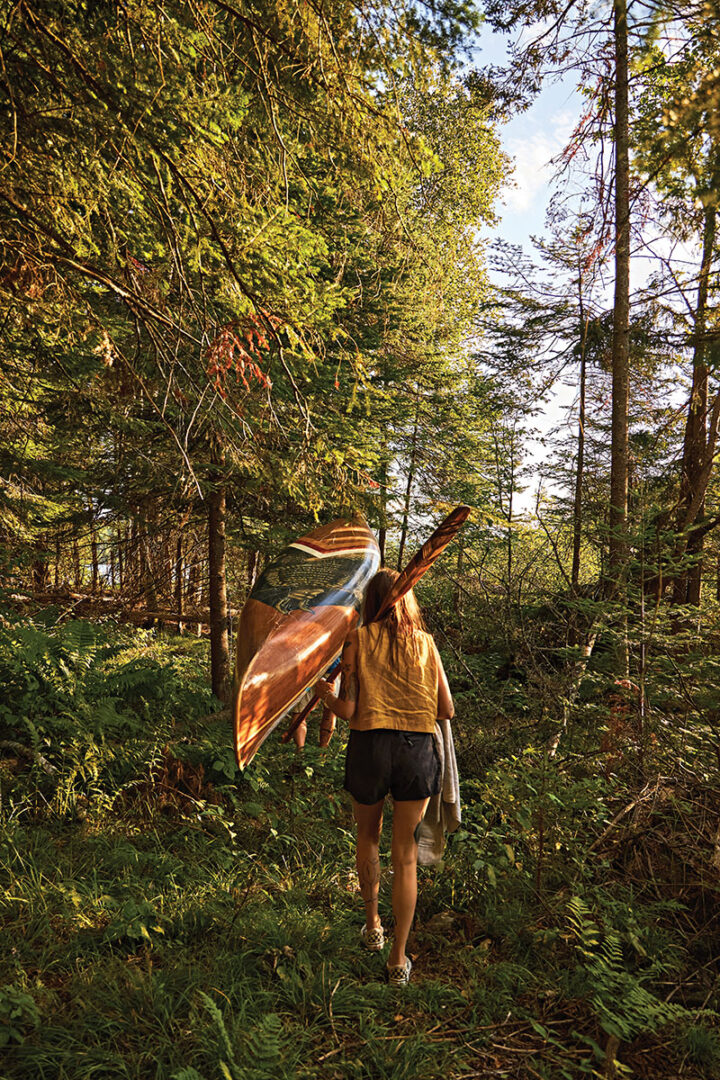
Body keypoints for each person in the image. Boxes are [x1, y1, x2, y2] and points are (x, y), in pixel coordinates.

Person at [315, 568, 454, 987]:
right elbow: (446, 709)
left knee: (368, 838)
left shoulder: (358, 639)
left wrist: (324, 695)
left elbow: (348, 712)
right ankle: (398, 959)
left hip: (370, 748)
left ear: (370, 603)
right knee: (406, 855)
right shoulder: (427, 644)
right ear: (408, 600)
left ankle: (373, 926)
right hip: (417, 751)